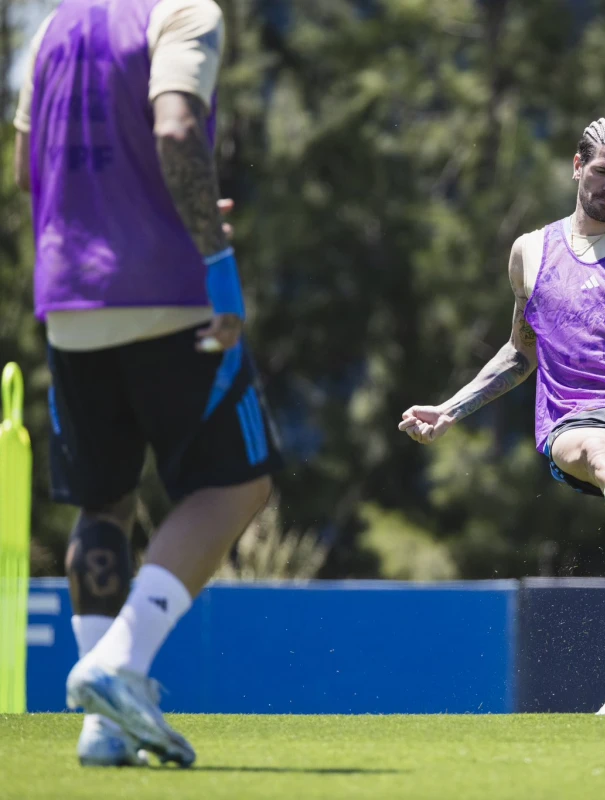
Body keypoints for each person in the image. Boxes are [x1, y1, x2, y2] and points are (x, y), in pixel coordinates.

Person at [13, 0, 280, 766]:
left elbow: (31, 168)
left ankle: (102, 726)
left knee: (105, 499)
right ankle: (118, 661)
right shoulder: (185, 11)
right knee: (239, 484)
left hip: (69, 300)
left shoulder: (55, 25)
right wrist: (215, 258)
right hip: (168, 293)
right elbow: (175, 127)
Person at [400, 116, 605, 714]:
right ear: (577, 166)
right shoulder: (531, 252)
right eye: (600, 171)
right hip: (576, 413)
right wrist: (449, 410)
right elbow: (521, 354)